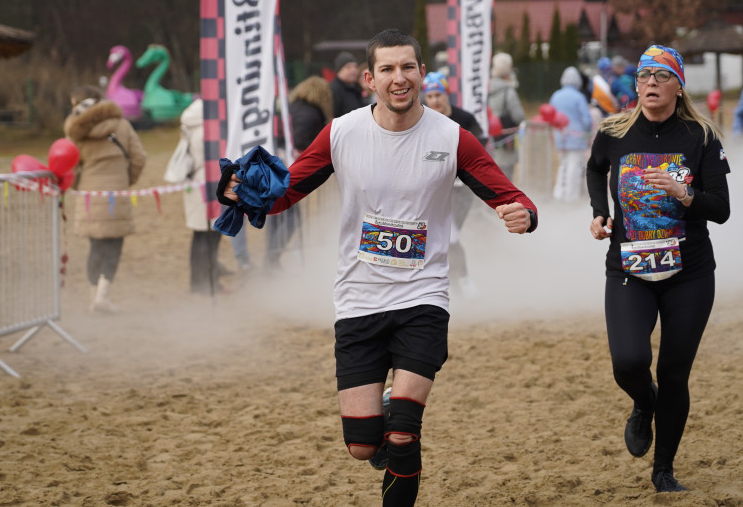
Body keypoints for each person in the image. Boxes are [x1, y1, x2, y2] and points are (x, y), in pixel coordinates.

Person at [220, 28, 538, 507]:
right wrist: (243, 193)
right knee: (362, 446)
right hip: (358, 298)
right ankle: (385, 414)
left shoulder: (452, 138)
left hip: (423, 297)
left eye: (408, 67)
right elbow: (286, 193)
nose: (399, 78)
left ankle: (402, 424)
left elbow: (509, 194)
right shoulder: (342, 133)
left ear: (422, 74)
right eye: (387, 69)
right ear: (369, 79)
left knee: (406, 433)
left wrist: (525, 215)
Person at [585, 44, 730, 494]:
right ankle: (643, 404)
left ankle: (663, 470)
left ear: (678, 85)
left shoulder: (700, 137)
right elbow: (594, 169)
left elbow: (721, 209)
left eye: (661, 76)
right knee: (629, 362)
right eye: (644, 75)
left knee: (673, 373)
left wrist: (683, 193)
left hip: (688, 271)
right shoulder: (613, 131)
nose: (650, 83)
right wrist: (599, 212)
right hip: (629, 265)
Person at [64, 85, 147, 312]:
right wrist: (125, 180)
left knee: (96, 247)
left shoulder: (74, 133)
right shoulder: (122, 125)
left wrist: (79, 185)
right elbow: (139, 158)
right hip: (116, 194)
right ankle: (102, 296)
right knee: (114, 247)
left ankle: (93, 299)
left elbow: (70, 166)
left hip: (90, 196)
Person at [421, 71, 486, 299]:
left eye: (438, 94)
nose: (434, 101)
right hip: (433, 188)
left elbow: (481, 148)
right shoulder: (421, 119)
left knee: (450, 234)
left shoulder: (464, 119)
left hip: (461, 188)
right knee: (435, 235)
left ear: (447, 94)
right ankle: (441, 281)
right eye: (429, 97)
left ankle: (464, 279)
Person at [266, 76, 334, 268]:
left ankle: (271, 257)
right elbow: (301, 142)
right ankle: (272, 259)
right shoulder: (312, 114)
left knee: (276, 217)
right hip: (287, 166)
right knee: (291, 219)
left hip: (273, 162)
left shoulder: (291, 107)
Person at [163, 97, 227, 295]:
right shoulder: (208, 131)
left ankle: (198, 282)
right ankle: (209, 283)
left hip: (197, 184)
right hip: (208, 184)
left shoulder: (192, 127)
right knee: (210, 236)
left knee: (200, 236)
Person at [549, 66, 593, 202]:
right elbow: (586, 120)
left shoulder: (555, 95)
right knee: (574, 166)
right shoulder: (579, 97)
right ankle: (571, 196)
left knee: (563, 165)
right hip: (576, 137)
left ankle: (558, 193)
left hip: (559, 136)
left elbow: (550, 115)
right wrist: (587, 133)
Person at [487, 52, 526, 180]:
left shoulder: (484, 89)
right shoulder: (508, 91)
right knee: (505, 178)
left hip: (487, 141)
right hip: (506, 141)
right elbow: (518, 116)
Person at [330, 50, 366, 117]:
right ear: (339, 70)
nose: (353, 70)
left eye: (355, 67)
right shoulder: (333, 90)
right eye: (348, 67)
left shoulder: (357, 88)